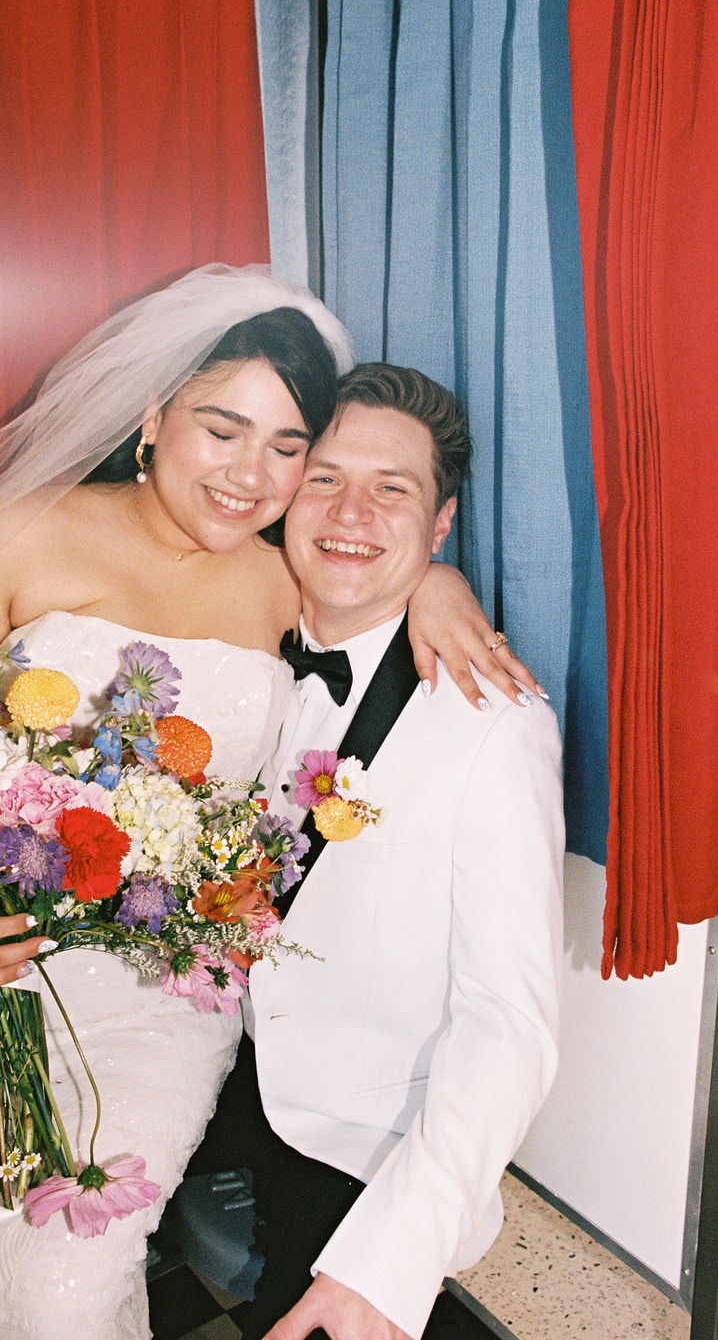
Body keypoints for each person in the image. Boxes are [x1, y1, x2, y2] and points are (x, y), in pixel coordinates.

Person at [0, 267, 540, 1340]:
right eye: (221, 428)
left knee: (63, 1285)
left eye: (283, 447)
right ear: (153, 412)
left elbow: (374, 578)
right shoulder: (19, 533)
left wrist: (440, 584)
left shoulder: (278, 582)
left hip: (157, 999)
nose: (248, 475)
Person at [185, 362, 565, 1340]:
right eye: (326, 477)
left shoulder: (493, 722)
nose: (351, 510)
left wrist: (387, 1268)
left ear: (440, 526)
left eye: (392, 489)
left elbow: (507, 1020)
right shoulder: (238, 635)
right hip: (225, 1059)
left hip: (359, 1135)